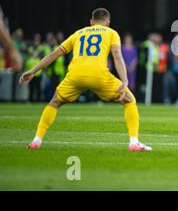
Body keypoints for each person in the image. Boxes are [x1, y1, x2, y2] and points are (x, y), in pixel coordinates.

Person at [19, 8, 151, 151]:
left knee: (54, 102)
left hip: (75, 75)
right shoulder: (112, 33)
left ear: (91, 22)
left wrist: (33, 70)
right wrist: (124, 80)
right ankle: (134, 142)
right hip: (98, 75)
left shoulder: (78, 33)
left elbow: (54, 54)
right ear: (107, 22)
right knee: (129, 100)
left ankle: (36, 141)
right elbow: (117, 55)